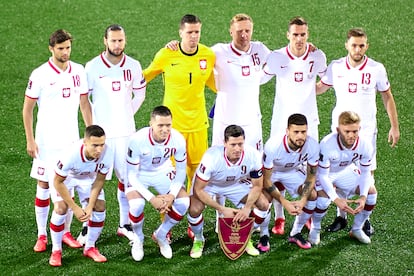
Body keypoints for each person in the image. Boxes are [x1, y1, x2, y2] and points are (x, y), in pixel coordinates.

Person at [316, 28, 399, 234]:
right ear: (347, 45)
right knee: (337, 171)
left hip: (366, 131)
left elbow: (387, 96)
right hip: (340, 133)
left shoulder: (376, 68)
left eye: (361, 45)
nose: (357, 49)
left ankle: (363, 218)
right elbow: (319, 88)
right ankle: (341, 217)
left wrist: (394, 126)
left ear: (366, 46)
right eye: (354, 45)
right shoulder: (335, 67)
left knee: (367, 172)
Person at [22, 29, 92, 253]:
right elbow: (27, 110)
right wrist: (30, 140)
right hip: (46, 142)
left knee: (67, 187)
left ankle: (66, 233)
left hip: (71, 142)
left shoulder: (79, 71)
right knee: (43, 185)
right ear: (51, 49)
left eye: (68, 48)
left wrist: (89, 134)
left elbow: (84, 104)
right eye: (61, 48)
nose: (65, 52)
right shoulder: (40, 74)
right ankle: (42, 235)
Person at [81, 24, 146, 243]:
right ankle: (86, 225)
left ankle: (124, 224)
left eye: (121, 40)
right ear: (105, 41)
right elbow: (84, 101)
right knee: (90, 181)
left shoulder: (134, 66)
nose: (117, 45)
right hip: (100, 138)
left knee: (126, 179)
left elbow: (140, 95)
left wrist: (126, 115)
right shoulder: (92, 67)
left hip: (126, 134)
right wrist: (92, 129)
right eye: (113, 40)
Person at [263, 16, 327, 236]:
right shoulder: (277, 57)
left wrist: (309, 92)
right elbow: (258, 78)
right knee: (279, 169)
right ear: (287, 35)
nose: (299, 39)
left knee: (310, 169)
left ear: (307, 34)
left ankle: (304, 216)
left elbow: (325, 82)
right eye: (295, 34)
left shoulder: (318, 56)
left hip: (310, 123)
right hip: (282, 122)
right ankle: (279, 217)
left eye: (303, 34)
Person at [143, 14, 215, 192]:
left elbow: (219, 85)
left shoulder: (208, 55)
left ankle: (193, 217)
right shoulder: (167, 54)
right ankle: (167, 216)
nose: (194, 36)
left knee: (198, 175)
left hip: (198, 124)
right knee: (171, 174)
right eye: (189, 32)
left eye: (197, 32)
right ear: (181, 33)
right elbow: (144, 77)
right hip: (172, 126)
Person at [187, 125, 270, 258]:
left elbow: (257, 186)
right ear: (225, 143)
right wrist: (222, 209)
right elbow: (199, 189)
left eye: (240, 144)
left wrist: (247, 208)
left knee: (263, 204)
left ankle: (245, 235)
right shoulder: (211, 157)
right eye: (233, 145)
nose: (237, 149)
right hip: (211, 184)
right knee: (194, 209)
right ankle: (198, 239)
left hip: (234, 183)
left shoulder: (253, 155)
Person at [125, 106, 189, 261]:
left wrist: (172, 195)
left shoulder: (178, 139)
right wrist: (152, 199)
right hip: (140, 174)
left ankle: (160, 234)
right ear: (151, 124)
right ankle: (138, 238)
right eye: (160, 125)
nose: (165, 129)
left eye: (168, 125)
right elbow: (132, 175)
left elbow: (181, 171)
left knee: (183, 202)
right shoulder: (137, 140)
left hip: (163, 170)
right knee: (136, 205)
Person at [49, 125, 113, 266]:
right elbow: (58, 182)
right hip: (66, 178)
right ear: (85, 142)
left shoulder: (108, 152)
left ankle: (90, 247)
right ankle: (56, 250)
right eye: (95, 145)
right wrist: (75, 208)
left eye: (102, 145)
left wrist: (89, 206)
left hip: (88, 177)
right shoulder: (70, 155)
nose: (99, 150)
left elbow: (99, 180)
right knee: (61, 208)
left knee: (99, 207)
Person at [309, 111, 376, 245]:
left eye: (355, 131)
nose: (351, 135)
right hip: (326, 174)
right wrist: (336, 199)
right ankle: (315, 228)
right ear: (338, 130)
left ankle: (356, 229)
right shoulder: (327, 144)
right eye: (347, 131)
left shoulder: (365, 145)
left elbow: (365, 173)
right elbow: (322, 175)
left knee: (371, 193)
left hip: (345, 171)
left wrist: (362, 196)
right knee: (322, 201)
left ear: (359, 129)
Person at [261, 113, 319, 250]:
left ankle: (296, 232)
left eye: (303, 132)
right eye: (296, 132)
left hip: (292, 171)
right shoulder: (273, 146)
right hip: (273, 173)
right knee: (264, 200)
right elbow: (266, 180)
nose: (300, 136)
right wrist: (284, 201)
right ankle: (264, 235)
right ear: (287, 131)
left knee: (313, 196)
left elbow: (311, 177)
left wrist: (303, 200)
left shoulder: (312, 145)